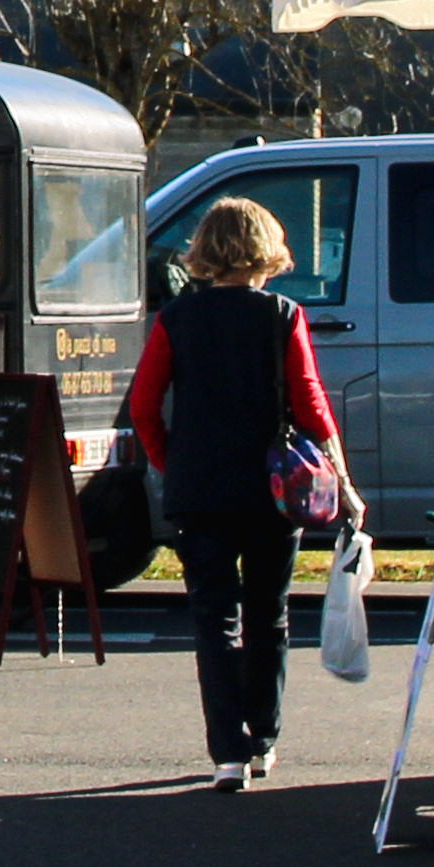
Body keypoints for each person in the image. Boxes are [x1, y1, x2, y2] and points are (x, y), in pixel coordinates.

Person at [123, 194, 342, 787]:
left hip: (200, 487)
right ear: (265, 251)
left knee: (213, 620)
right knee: (268, 614)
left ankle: (226, 752)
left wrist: (173, 464)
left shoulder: (175, 320)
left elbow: (144, 406)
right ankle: (264, 736)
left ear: (205, 253)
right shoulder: (282, 314)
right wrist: (338, 471)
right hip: (272, 489)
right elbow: (310, 402)